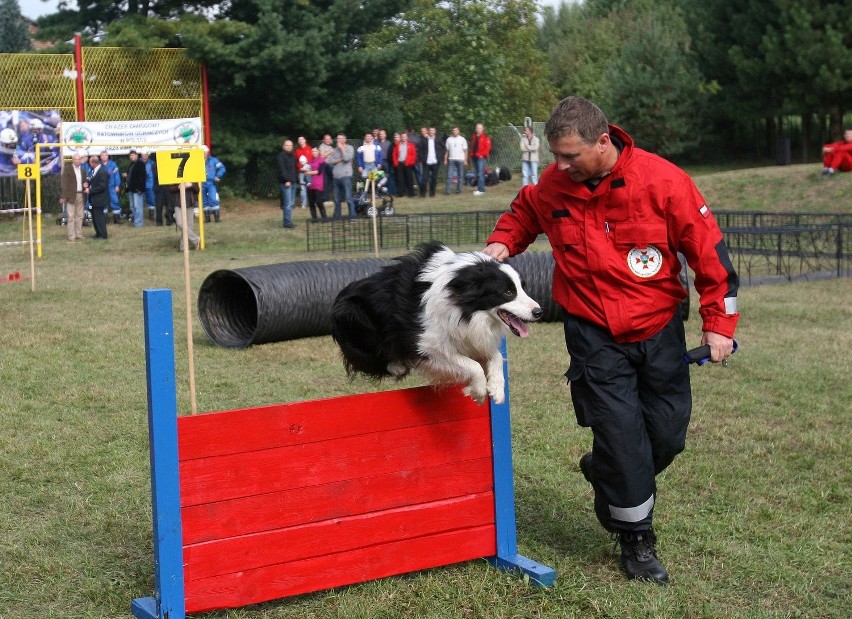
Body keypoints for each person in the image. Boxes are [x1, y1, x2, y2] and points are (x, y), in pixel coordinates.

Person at [483, 96, 740, 585]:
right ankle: (636, 537)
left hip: (659, 329)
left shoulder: (664, 181)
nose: (559, 166)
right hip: (594, 335)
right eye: (556, 156)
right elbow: (523, 213)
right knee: (623, 440)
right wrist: (503, 241)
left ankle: (602, 469)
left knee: (665, 436)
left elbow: (709, 255)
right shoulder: (554, 186)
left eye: (570, 155)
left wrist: (719, 324)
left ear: (604, 141)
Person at [325, 133, 356, 220]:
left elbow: (347, 158)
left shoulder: (350, 148)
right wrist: (340, 159)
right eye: (337, 138)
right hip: (336, 177)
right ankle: (337, 217)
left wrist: (342, 148)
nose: (338, 140)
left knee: (348, 197)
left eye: (340, 138)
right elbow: (330, 161)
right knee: (336, 199)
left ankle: (352, 216)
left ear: (344, 140)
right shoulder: (334, 149)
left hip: (346, 175)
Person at [59, 153, 86, 242]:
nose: (77, 161)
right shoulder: (67, 170)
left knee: (80, 216)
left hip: (81, 194)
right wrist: (64, 196)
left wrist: (86, 186)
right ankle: (71, 236)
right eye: (75, 159)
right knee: (71, 216)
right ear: (72, 160)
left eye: (79, 159)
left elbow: (85, 183)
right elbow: (64, 184)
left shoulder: (83, 171)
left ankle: (79, 234)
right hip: (70, 196)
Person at [170, 182, 201, 251]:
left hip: (190, 204)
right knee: (180, 223)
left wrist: (191, 185)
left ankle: (183, 247)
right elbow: (170, 189)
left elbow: (197, 190)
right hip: (178, 204)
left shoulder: (192, 175)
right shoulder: (175, 175)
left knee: (189, 226)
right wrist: (178, 187)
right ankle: (195, 239)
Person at [86, 153, 110, 239]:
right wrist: (88, 184)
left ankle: (103, 234)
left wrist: (90, 190)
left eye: (90, 162)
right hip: (94, 199)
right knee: (95, 217)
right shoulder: (94, 171)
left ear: (93, 163)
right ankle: (98, 232)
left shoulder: (102, 172)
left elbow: (102, 186)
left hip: (100, 199)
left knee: (99, 217)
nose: (89, 164)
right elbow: (94, 182)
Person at [275, 139, 298, 229]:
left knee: (291, 203)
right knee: (287, 204)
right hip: (286, 183)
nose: (289, 147)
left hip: (293, 182)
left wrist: (295, 179)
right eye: (287, 145)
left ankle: (289, 221)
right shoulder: (280, 156)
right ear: (283, 146)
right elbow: (282, 170)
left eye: (290, 145)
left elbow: (294, 169)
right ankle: (287, 223)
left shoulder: (293, 156)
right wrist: (286, 180)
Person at [201, 144, 226, 222]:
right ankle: (207, 218)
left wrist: (218, 176)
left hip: (211, 183)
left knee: (213, 199)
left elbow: (222, 168)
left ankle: (217, 218)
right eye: (202, 152)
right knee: (204, 201)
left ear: (207, 152)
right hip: (201, 183)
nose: (204, 153)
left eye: (205, 152)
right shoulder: (196, 161)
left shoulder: (213, 160)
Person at [418, 127, 445, 197]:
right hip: (426, 162)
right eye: (430, 130)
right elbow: (420, 149)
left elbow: (443, 148)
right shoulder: (424, 140)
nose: (431, 132)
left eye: (433, 130)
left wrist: (440, 157)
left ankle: (432, 193)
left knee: (434, 178)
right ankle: (422, 194)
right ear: (428, 131)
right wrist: (422, 158)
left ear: (435, 131)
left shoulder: (438, 139)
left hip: (435, 162)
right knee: (424, 178)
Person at [125, 149, 148, 227]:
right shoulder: (131, 164)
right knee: (133, 206)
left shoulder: (140, 164)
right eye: (130, 155)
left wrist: (140, 188)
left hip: (137, 189)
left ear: (136, 155)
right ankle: (136, 221)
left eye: (133, 155)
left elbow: (142, 177)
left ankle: (139, 223)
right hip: (131, 188)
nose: (131, 157)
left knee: (138, 206)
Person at [305, 146, 328, 222]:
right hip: (310, 184)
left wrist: (308, 172)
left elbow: (319, 172)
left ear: (318, 152)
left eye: (315, 151)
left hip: (318, 184)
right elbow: (305, 169)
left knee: (319, 201)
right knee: (311, 203)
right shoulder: (310, 161)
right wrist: (303, 169)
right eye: (312, 151)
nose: (314, 153)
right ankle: (314, 219)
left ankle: (324, 218)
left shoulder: (321, 160)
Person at [99, 150, 123, 224]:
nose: (104, 157)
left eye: (105, 155)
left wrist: (117, 185)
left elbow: (117, 176)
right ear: (100, 157)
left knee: (115, 201)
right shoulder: (98, 165)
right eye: (102, 155)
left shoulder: (113, 164)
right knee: (103, 202)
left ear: (108, 156)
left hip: (112, 187)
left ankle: (117, 219)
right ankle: (105, 219)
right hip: (102, 187)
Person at [469, 122, 492, 195]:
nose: (478, 129)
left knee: (480, 173)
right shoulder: (474, 136)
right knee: (477, 173)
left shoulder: (486, 137)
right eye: (477, 128)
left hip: (481, 158)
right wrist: (471, 154)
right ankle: (479, 189)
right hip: (474, 157)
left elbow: (488, 148)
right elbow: (472, 146)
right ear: (476, 129)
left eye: (480, 128)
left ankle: (481, 190)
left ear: (482, 129)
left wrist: (482, 155)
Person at [393, 131, 417, 198]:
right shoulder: (397, 145)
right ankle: (400, 193)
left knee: (409, 179)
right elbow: (394, 154)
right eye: (402, 137)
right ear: (401, 137)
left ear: (407, 137)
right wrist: (395, 163)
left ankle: (411, 193)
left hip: (408, 164)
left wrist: (411, 162)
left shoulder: (411, 145)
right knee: (400, 179)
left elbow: (414, 155)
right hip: (400, 164)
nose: (403, 138)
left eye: (404, 137)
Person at [444, 126, 467, 195]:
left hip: (460, 159)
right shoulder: (449, 139)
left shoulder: (462, 139)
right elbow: (447, 151)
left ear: (458, 131)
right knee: (449, 176)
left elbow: (465, 151)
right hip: (451, 159)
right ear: (452, 131)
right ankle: (448, 190)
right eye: (453, 130)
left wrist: (465, 160)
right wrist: (445, 159)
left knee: (460, 176)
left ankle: (458, 190)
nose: (454, 131)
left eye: (456, 130)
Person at [295, 136, 313, 207]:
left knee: (310, 186)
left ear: (305, 140)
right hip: (301, 171)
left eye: (302, 139)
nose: (300, 141)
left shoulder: (310, 149)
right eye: (299, 140)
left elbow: (312, 159)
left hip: (309, 171)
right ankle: (304, 204)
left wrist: (308, 167)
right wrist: (300, 167)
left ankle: (312, 202)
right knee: (302, 188)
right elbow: (296, 161)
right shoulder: (297, 151)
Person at [376, 129, 395, 196]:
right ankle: (378, 192)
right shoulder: (376, 143)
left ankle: (386, 190)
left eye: (382, 134)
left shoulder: (389, 143)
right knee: (378, 176)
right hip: (378, 162)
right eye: (380, 134)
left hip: (387, 161)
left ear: (385, 135)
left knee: (387, 176)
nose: (381, 135)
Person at [318, 134, 335, 204]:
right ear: (324, 140)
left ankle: (327, 199)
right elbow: (322, 156)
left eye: (329, 139)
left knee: (331, 182)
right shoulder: (321, 146)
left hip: (331, 166)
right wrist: (330, 152)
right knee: (325, 182)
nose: (328, 140)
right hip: (324, 165)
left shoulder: (331, 147)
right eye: (326, 139)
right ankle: (325, 200)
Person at [141, 150, 157, 220]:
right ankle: (140, 216)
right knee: (140, 200)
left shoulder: (152, 163)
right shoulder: (138, 162)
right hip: (141, 184)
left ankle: (152, 215)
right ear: (141, 155)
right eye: (144, 154)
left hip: (150, 184)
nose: (145, 155)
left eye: (146, 154)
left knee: (151, 199)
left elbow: (155, 173)